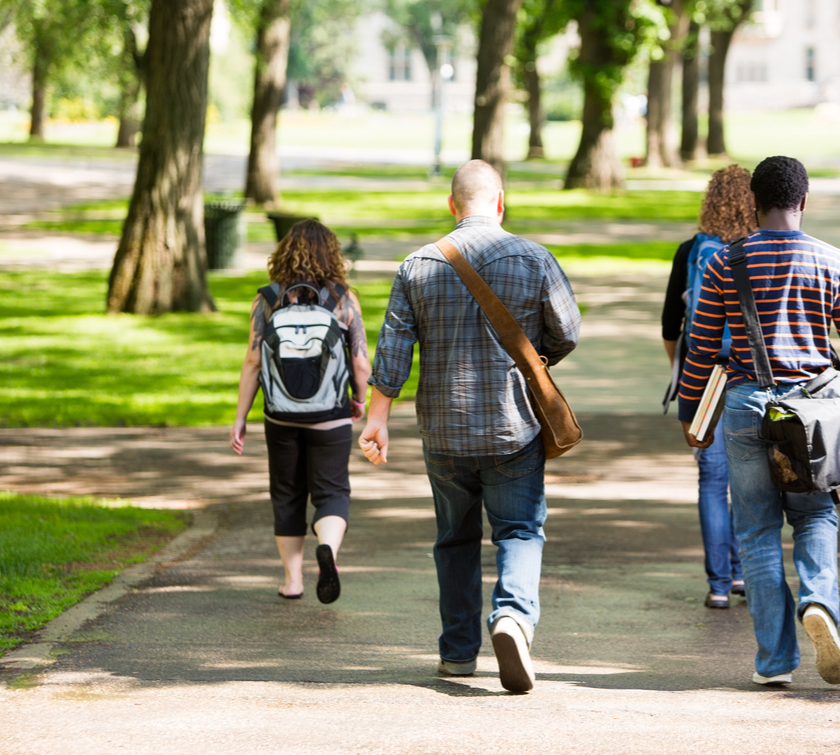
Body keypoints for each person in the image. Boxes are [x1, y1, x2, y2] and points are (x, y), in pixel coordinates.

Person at [358, 159, 580, 693]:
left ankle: (458, 654)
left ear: (452, 206)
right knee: (520, 530)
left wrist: (377, 421)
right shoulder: (534, 258)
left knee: (454, 540)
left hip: (444, 430)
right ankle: (512, 619)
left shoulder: (417, 266)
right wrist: (533, 358)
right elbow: (567, 331)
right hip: (514, 425)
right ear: (500, 202)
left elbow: (392, 351)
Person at [677, 156, 840, 687]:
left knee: (755, 531)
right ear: (804, 200)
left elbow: (700, 349)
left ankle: (774, 662)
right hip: (814, 412)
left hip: (748, 405)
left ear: (754, 201)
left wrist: (690, 414)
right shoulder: (832, 260)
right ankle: (818, 602)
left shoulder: (726, 261)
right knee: (815, 515)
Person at [230, 219, 371, 604]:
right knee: (332, 490)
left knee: (287, 493)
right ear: (332, 253)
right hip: (331, 414)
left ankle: (292, 581)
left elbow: (253, 362)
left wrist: (240, 417)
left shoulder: (268, 299)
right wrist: (359, 401)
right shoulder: (343, 298)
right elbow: (360, 363)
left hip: (280, 416)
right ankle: (328, 550)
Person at [661, 165, 757, 610]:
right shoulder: (762, 250)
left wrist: (685, 374)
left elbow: (669, 324)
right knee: (752, 480)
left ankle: (719, 584)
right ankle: (743, 574)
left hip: (705, 377)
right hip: (752, 376)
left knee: (711, 479)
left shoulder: (690, 251)